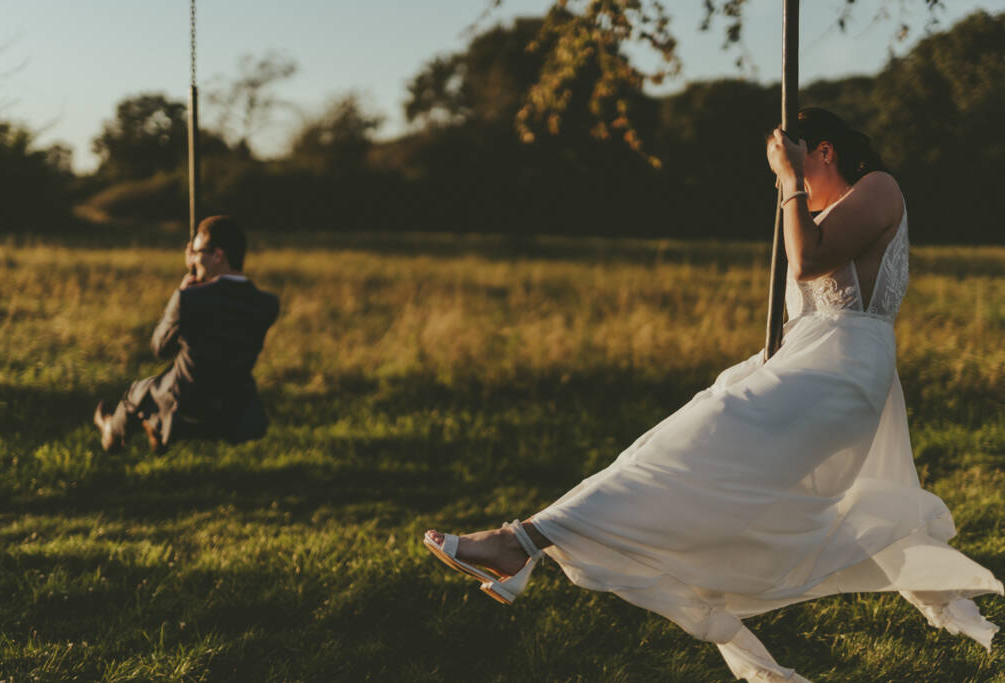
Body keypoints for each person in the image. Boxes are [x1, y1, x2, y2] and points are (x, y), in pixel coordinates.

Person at [423, 108, 1002, 682]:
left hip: (842, 373)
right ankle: (525, 541)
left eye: (794, 158)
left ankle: (518, 541)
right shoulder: (819, 209)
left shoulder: (880, 187)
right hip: (805, 366)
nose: (784, 174)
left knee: (690, 453)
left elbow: (807, 262)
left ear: (824, 151)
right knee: (668, 457)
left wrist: (789, 182)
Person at [94, 215, 279, 453]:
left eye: (197, 251)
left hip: (186, 404)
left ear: (218, 255)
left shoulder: (189, 298)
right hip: (234, 403)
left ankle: (113, 433)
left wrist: (181, 296)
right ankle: (154, 430)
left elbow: (160, 349)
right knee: (153, 388)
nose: (192, 259)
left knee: (136, 393)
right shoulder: (267, 304)